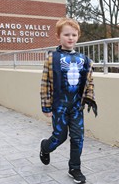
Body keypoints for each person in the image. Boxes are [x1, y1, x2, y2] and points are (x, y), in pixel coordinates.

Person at [40, 17, 97, 184]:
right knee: (59, 136)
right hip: (59, 106)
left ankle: (75, 168)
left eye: (74, 34)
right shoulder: (52, 58)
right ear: (58, 36)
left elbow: (90, 81)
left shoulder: (85, 60)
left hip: (76, 106)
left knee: (78, 137)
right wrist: (46, 107)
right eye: (66, 34)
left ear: (78, 36)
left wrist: (89, 98)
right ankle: (45, 147)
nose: (70, 38)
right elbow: (45, 83)